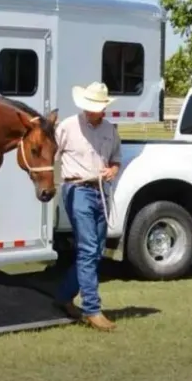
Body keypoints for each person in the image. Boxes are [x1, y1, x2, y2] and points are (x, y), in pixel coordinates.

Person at [54, 82, 122, 332]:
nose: (98, 111)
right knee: (89, 248)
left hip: (100, 191)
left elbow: (116, 159)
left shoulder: (109, 130)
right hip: (77, 189)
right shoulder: (67, 127)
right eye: (94, 107)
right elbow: (51, 154)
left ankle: (63, 296)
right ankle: (92, 309)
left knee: (95, 251)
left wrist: (112, 170)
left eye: (100, 107)